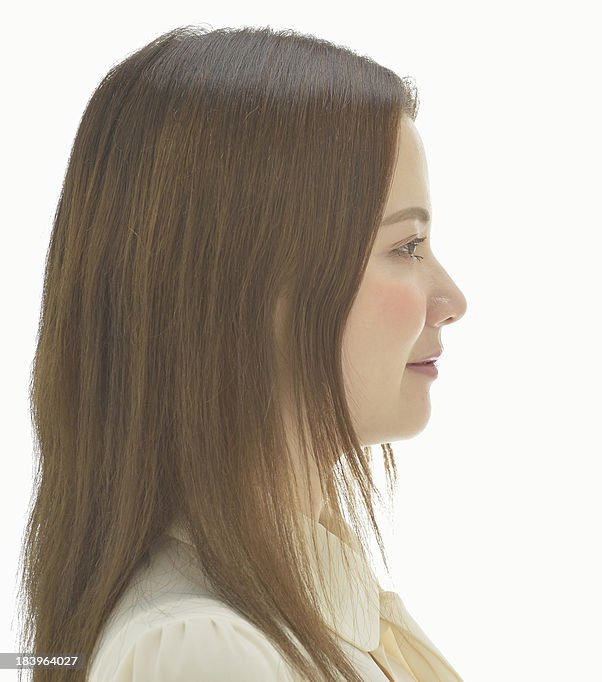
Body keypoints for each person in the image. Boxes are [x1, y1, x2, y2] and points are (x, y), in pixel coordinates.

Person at [18, 24, 467, 682]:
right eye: (405, 247)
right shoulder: (205, 652)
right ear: (250, 292)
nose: (450, 298)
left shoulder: (297, 616)